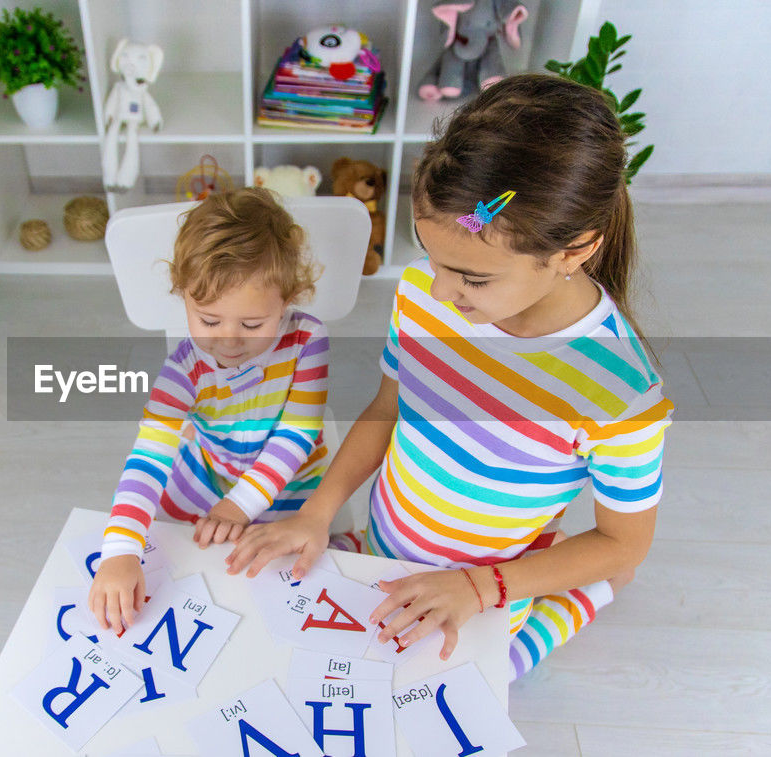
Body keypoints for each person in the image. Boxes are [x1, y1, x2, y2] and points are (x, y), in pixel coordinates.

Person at [226, 74, 675, 681]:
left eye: (472, 277)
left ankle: (583, 598)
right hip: (386, 548)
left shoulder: (620, 391)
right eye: (432, 259)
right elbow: (388, 409)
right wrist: (317, 511)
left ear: (572, 251)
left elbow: (625, 543)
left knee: (480, 683)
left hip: (487, 589)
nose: (439, 289)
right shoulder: (424, 295)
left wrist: (479, 587)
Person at [89, 187, 336, 634]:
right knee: (173, 548)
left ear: (287, 298)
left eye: (252, 323)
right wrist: (120, 553)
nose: (228, 341)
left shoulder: (307, 340)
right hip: (207, 472)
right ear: (183, 296)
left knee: (296, 568)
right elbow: (148, 456)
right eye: (208, 320)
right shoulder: (182, 368)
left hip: (291, 479)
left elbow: (296, 436)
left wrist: (239, 506)